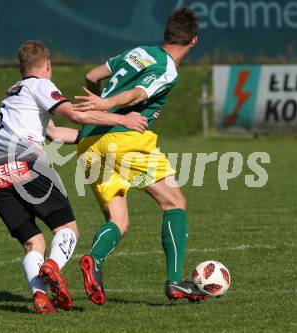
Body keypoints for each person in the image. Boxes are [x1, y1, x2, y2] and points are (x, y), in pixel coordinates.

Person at [0, 40, 148, 314]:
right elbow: (73, 115)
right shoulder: (41, 85)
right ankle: (52, 267)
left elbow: (56, 133)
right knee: (67, 230)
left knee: (33, 242)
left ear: (21, 67)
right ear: (47, 65)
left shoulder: (13, 93)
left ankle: (40, 296)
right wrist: (123, 121)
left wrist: (98, 138)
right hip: (26, 165)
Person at [74, 8, 208, 304]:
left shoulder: (140, 51)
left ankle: (93, 259)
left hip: (89, 143)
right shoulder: (167, 68)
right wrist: (107, 104)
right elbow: (137, 93)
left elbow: (91, 74)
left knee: (119, 220)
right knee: (174, 202)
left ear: (167, 34)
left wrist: (96, 106)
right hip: (123, 138)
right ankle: (175, 281)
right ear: (193, 40)